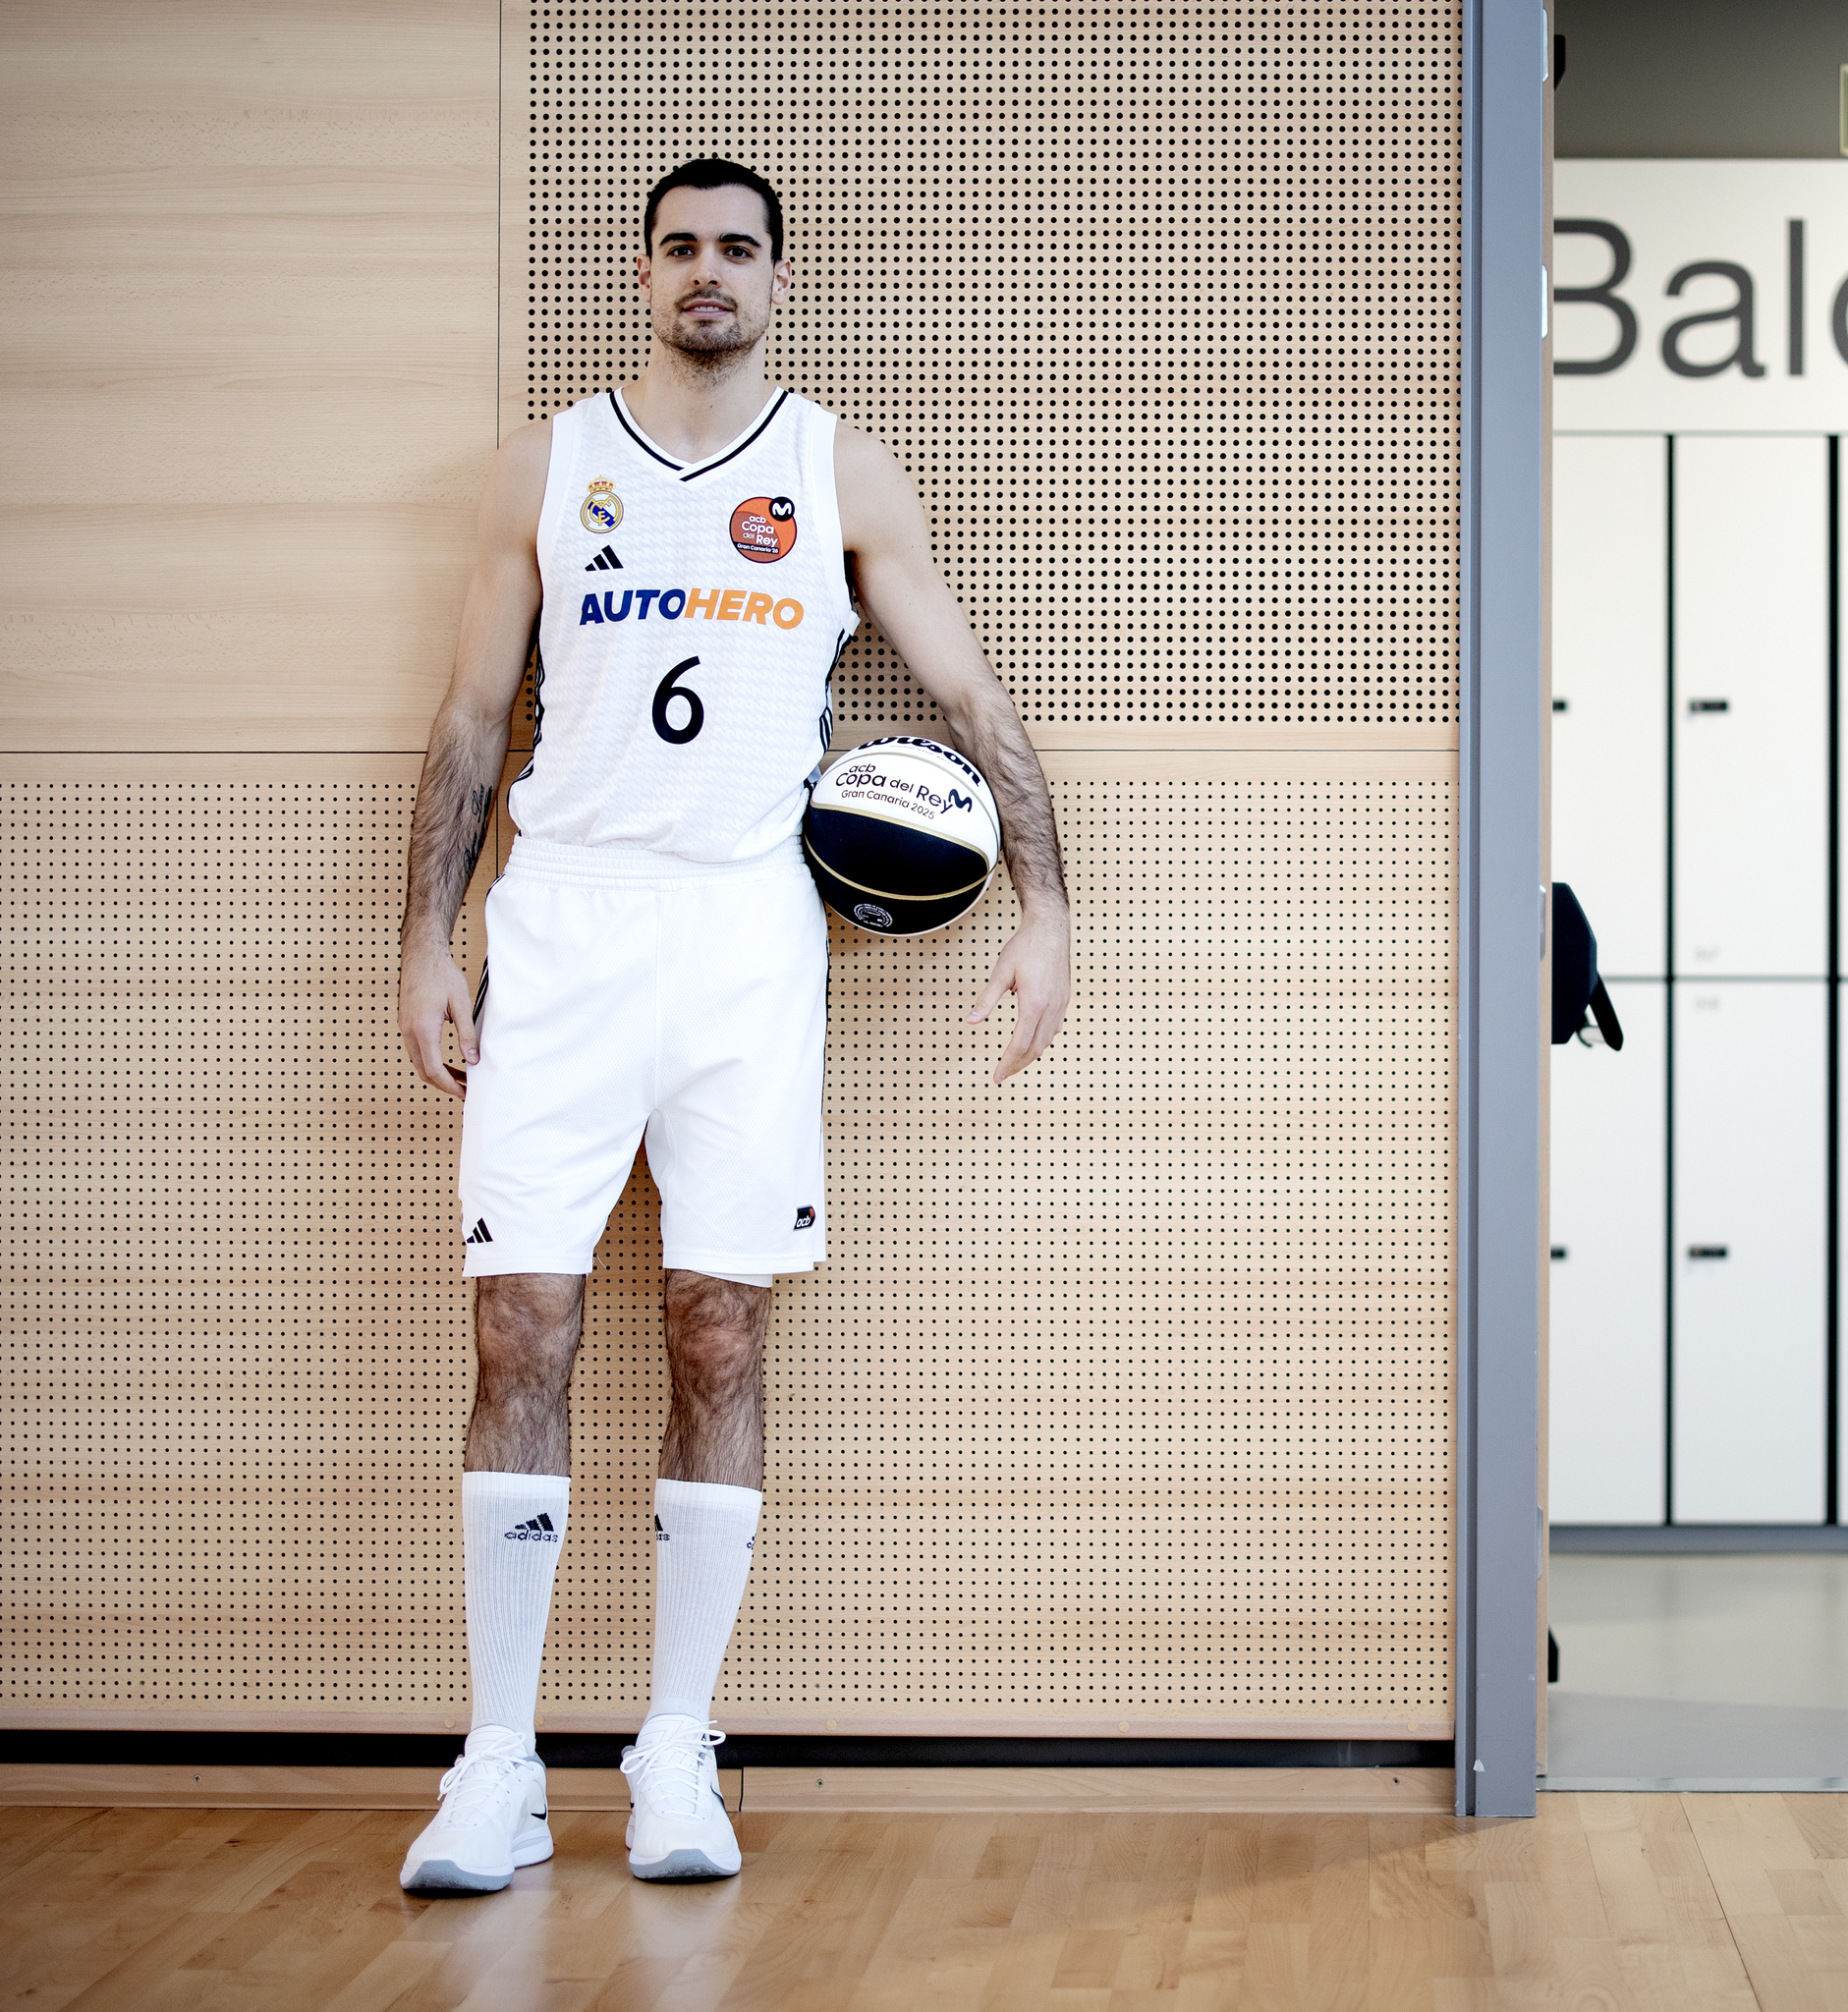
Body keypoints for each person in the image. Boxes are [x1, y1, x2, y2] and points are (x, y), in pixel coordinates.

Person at [389, 157, 1071, 1894]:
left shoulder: (838, 468)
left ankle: (676, 1751)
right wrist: (425, 939)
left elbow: (969, 691)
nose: (710, 271)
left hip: (747, 942)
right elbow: (470, 718)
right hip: (560, 926)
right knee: (520, 1324)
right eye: (682, 246)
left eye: (739, 250)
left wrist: (1048, 910)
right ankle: (496, 1766)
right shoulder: (548, 465)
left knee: (720, 1331)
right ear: (644, 274)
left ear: (776, 281)